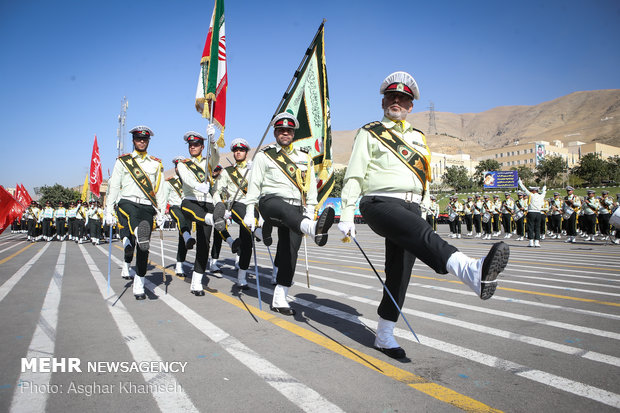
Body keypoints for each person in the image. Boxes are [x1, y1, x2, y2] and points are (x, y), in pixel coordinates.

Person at [338, 71, 509, 359]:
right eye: (392, 96)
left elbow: (423, 176)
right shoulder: (369, 132)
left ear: (410, 106)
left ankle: (384, 334)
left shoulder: (418, 137)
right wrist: (345, 212)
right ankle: (470, 270)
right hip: (379, 202)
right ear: (383, 101)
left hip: (412, 205)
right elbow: (354, 173)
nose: (397, 101)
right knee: (422, 236)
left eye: (403, 98)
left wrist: (426, 201)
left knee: (399, 271)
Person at [244, 113, 335, 315]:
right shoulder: (264, 156)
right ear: (275, 132)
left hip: (297, 210)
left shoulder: (304, 157)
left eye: (289, 130)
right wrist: (250, 212)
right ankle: (312, 229)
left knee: (289, 252)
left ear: (293, 133)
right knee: (282, 208)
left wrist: (311, 210)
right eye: (281, 130)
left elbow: (311, 187)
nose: (285, 133)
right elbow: (254, 185)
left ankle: (279, 299)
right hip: (271, 203)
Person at [105, 125, 166, 300]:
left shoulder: (156, 163)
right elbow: (114, 185)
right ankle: (139, 232)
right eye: (139, 139)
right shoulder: (123, 161)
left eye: (144, 139)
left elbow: (160, 189)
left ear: (148, 141)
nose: (141, 141)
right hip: (127, 201)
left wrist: (162, 212)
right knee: (133, 217)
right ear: (133, 140)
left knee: (143, 249)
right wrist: (109, 209)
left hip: (147, 205)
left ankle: (139, 282)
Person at [177, 129, 222, 296]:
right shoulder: (183, 163)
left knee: (204, 244)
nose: (193, 147)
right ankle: (212, 219)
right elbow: (186, 179)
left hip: (207, 203)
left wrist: (213, 141)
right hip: (190, 200)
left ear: (202, 147)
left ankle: (197, 281)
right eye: (190, 145)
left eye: (196, 145)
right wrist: (198, 186)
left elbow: (217, 157)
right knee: (196, 213)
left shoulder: (208, 162)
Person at [163, 156, 195, 277]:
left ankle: (179, 264)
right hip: (175, 207)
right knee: (181, 221)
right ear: (175, 168)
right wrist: (161, 213)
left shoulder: (189, 181)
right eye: (177, 166)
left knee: (184, 239)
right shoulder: (170, 181)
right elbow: (164, 198)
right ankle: (187, 236)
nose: (179, 168)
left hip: (186, 209)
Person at [518, 179, 546, 247]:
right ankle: (537, 242)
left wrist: (520, 183)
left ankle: (531, 242)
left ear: (533, 191)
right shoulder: (541, 196)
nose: (530, 191)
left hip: (531, 212)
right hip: (538, 213)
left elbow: (524, 189)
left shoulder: (531, 195)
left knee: (530, 227)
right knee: (537, 227)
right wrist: (544, 188)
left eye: (531, 190)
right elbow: (544, 192)